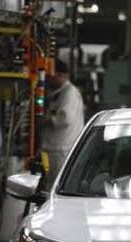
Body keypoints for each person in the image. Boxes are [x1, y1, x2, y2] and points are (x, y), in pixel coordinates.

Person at [41, 59, 84, 187]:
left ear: (60, 75)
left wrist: (46, 119)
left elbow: (65, 118)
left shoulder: (69, 93)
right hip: (55, 149)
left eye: (50, 76)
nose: (48, 79)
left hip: (61, 151)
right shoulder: (60, 93)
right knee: (50, 184)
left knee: (55, 185)